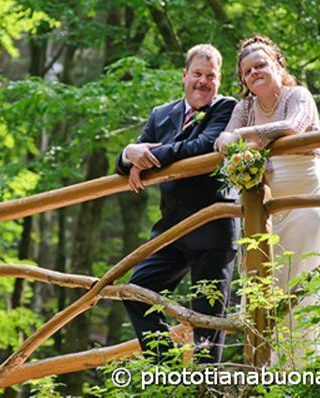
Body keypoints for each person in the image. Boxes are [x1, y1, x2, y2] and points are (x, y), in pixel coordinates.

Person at [214, 34, 320, 363]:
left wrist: (242, 136)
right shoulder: (244, 108)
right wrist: (235, 138)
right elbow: (224, 140)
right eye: (247, 71)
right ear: (242, 79)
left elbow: (294, 126)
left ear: (277, 65)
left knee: (301, 281)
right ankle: (268, 369)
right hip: (265, 208)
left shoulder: (298, 95)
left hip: (306, 199)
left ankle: (304, 367)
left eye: (261, 66)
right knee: (266, 281)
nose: (254, 73)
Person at [115, 44, 237, 363]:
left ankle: (205, 389)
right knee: (137, 291)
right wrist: (128, 152)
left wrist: (148, 156)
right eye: (197, 74)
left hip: (212, 227)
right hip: (170, 230)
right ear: (184, 75)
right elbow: (126, 162)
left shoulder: (226, 108)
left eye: (210, 76)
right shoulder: (161, 114)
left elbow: (200, 147)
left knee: (207, 323)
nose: (203, 81)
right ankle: (170, 374)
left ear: (219, 80)